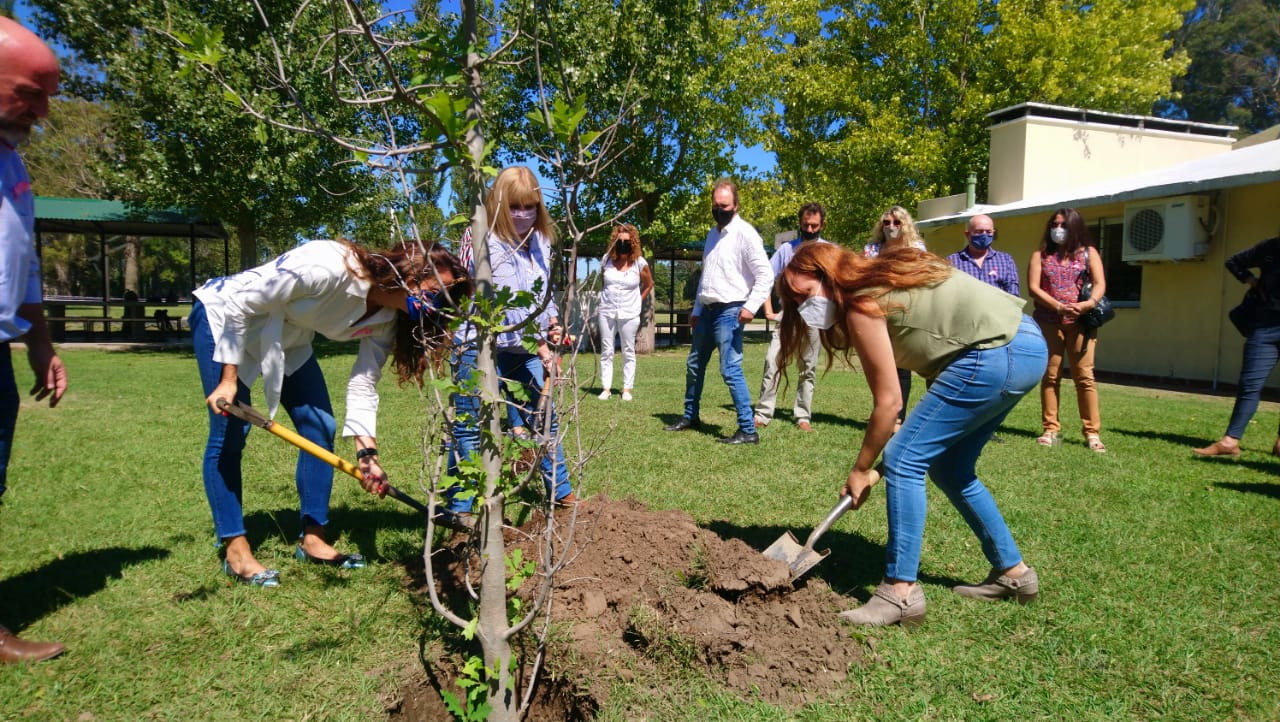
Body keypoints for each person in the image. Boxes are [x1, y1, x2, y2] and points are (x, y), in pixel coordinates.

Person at [776, 243, 1046, 627]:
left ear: (828, 274)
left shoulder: (862, 303)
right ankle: (1014, 573)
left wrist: (861, 469)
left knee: (903, 460)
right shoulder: (887, 279)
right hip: (1027, 344)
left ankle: (900, 594)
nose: (806, 307)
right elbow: (940, 345)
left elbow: (888, 404)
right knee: (952, 469)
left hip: (995, 352)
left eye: (805, 295)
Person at [194, 239, 469, 586]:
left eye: (438, 302)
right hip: (226, 318)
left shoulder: (388, 317)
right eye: (431, 293)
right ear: (406, 271)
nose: (430, 306)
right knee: (230, 436)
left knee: (320, 426)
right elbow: (239, 302)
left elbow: (363, 383)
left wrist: (367, 454)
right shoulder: (326, 266)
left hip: (286, 336)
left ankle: (313, 539)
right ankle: (236, 550)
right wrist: (229, 379)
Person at [444, 166, 576, 524]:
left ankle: (560, 492)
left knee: (544, 416)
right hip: (478, 344)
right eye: (514, 206)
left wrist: (551, 330)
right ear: (499, 204)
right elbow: (482, 299)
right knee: (471, 425)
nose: (522, 215)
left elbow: (542, 296)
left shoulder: (542, 242)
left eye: (529, 206)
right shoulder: (479, 238)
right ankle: (462, 507)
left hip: (524, 346)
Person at [0, 16, 68, 663]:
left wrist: (39, 340)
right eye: (29, 94)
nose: (42, 114)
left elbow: (23, 260)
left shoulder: (12, 161)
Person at [664, 178, 774, 444]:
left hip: (732, 311)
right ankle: (691, 416)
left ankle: (748, 430)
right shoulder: (712, 235)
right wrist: (697, 308)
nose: (719, 209)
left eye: (723, 205)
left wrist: (750, 307)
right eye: (715, 205)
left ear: (735, 205)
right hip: (708, 311)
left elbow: (766, 275)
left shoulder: (746, 234)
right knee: (694, 366)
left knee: (730, 369)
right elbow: (707, 275)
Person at [1027, 207, 1107, 452]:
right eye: (1054, 225)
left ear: (1075, 227)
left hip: (1081, 323)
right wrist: (1058, 307)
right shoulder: (1040, 255)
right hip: (1049, 321)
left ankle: (1092, 433)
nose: (1057, 230)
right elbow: (1033, 288)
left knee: (1084, 377)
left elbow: (1100, 284)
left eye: (1063, 225)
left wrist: (1087, 304)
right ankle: (1050, 429)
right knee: (1050, 376)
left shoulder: (1088, 253)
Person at [1194, 234, 1280, 458]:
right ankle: (1230, 442)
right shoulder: (1271, 247)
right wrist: (1251, 280)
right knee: (1250, 382)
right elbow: (1234, 262)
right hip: (1265, 326)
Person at [753, 202, 831, 432]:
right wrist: (768, 310)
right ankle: (763, 413)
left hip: (815, 315)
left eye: (814, 225)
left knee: (808, 367)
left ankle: (803, 416)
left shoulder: (829, 251)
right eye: (805, 224)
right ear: (800, 223)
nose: (809, 229)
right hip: (788, 315)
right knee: (772, 361)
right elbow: (766, 277)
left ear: (822, 224)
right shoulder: (787, 250)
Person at [863, 206, 927, 431]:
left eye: (896, 223)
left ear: (905, 224)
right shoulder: (872, 249)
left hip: (905, 309)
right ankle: (882, 411)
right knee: (879, 364)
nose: (891, 227)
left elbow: (920, 277)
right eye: (886, 222)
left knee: (901, 365)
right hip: (878, 310)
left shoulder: (916, 248)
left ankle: (898, 417)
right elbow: (866, 277)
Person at [596, 224, 653, 402]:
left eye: (626, 241)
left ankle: (626, 388)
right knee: (606, 350)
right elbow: (602, 283)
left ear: (633, 242)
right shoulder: (606, 260)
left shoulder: (640, 263)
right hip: (607, 311)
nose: (623, 243)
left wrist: (638, 300)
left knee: (628, 350)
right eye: (619, 241)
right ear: (614, 241)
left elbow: (649, 284)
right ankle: (606, 388)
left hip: (629, 313)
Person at [947, 214, 1021, 297]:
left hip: (997, 308)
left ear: (993, 233)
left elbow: (1013, 293)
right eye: (979, 232)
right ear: (967, 235)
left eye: (988, 232)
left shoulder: (1005, 260)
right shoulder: (952, 262)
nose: (984, 235)